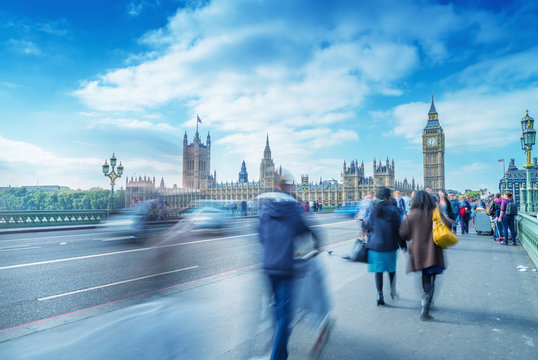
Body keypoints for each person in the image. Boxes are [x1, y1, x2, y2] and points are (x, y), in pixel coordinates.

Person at [258, 171, 321, 359]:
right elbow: (308, 230)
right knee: (285, 315)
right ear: (289, 189)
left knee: (276, 309)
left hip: (268, 266)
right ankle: (277, 355)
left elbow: (261, 235)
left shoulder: (267, 209)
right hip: (286, 266)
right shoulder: (293, 209)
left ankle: (279, 347)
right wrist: (316, 244)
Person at [399, 190, 452, 321]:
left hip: (419, 253)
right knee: (432, 278)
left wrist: (405, 248)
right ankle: (426, 305)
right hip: (434, 251)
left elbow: (403, 234)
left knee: (425, 277)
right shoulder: (435, 213)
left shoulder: (412, 215)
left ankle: (426, 301)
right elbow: (449, 225)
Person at [365, 188, 405, 306]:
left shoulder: (374, 209)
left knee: (379, 271)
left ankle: (379, 294)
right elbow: (399, 229)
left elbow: (368, 227)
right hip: (389, 244)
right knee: (391, 269)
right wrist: (402, 244)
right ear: (388, 197)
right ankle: (392, 291)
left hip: (375, 246)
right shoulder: (393, 210)